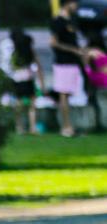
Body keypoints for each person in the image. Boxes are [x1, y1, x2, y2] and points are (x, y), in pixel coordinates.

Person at [50, 0, 87, 137]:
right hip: (63, 62)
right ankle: (66, 127)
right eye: (74, 3)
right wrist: (74, 50)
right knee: (64, 94)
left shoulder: (72, 21)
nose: (76, 6)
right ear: (67, 3)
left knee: (69, 94)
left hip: (73, 62)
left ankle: (69, 125)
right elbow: (53, 43)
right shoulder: (57, 21)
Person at [9, 28, 46, 134]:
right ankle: (32, 127)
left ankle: (19, 127)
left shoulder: (15, 53)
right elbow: (38, 66)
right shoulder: (29, 52)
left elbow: (12, 66)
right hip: (28, 78)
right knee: (31, 105)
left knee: (19, 105)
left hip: (18, 79)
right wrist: (41, 82)